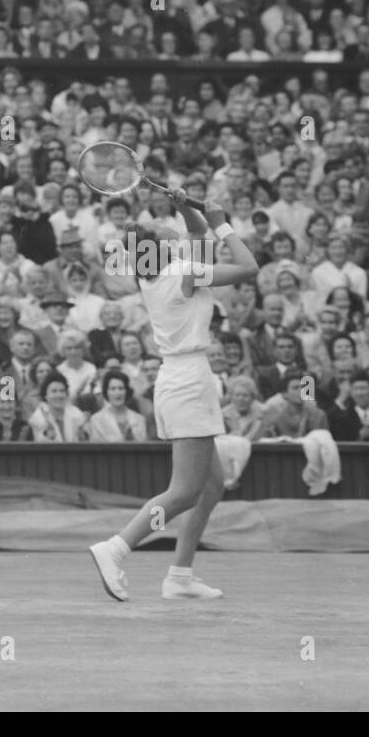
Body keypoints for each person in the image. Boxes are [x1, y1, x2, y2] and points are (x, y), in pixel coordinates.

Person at [89, 193, 259, 601]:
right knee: (183, 491)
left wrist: (186, 206)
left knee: (212, 486)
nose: (172, 230)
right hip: (187, 383)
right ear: (161, 246)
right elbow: (249, 267)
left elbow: (194, 231)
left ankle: (179, 575)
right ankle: (115, 547)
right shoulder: (186, 271)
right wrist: (223, 224)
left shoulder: (157, 273)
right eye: (166, 230)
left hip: (181, 377)